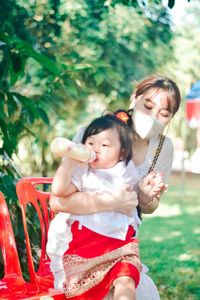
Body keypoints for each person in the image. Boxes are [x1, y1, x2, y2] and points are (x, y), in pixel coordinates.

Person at [48, 75, 181, 299]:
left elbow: (148, 207)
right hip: (77, 242)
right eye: (147, 106)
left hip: (118, 243)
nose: (153, 117)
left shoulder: (163, 149)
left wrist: (147, 196)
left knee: (134, 288)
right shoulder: (93, 134)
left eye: (164, 114)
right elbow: (57, 201)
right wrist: (113, 201)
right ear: (133, 99)